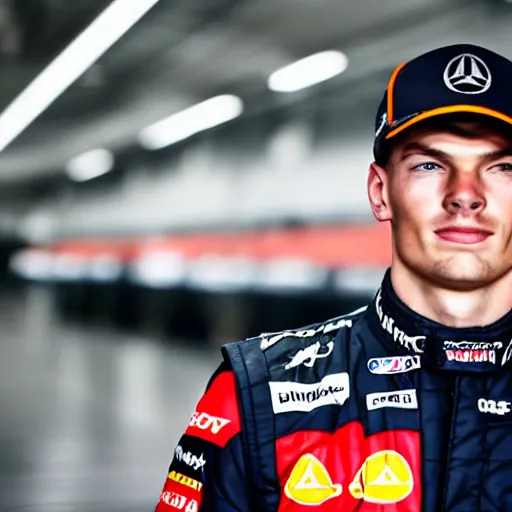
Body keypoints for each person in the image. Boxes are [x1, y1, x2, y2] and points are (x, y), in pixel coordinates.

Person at [154, 43, 512, 512]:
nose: (465, 195)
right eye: (430, 165)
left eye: (503, 167)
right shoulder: (253, 395)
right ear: (380, 193)